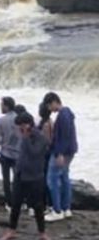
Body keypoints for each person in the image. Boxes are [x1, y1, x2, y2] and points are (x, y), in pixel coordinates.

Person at [0, 112, 50, 240]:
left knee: (38, 206)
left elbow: (34, 153)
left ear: (28, 125)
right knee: (16, 204)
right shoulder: (21, 136)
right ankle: (11, 230)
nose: (18, 129)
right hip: (20, 175)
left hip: (35, 177)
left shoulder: (41, 138)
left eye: (20, 126)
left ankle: (42, 233)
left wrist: (26, 138)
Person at [44, 92, 77, 222]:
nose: (49, 109)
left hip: (62, 152)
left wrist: (59, 154)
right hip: (70, 150)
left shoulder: (62, 115)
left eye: (49, 105)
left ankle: (57, 211)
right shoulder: (67, 113)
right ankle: (66, 208)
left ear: (54, 102)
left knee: (52, 179)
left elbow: (63, 137)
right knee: (64, 178)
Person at [0, 96, 21, 207]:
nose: (1, 107)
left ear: (6, 106)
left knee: (6, 179)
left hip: (5, 154)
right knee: (17, 180)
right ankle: (18, 201)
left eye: (2, 105)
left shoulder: (1, 120)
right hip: (18, 154)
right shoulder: (20, 119)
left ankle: (9, 203)